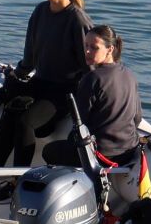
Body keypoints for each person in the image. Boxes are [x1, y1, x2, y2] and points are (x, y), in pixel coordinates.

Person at [0, 0, 93, 167]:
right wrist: (15, 75)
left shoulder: (77, 19)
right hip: (40, 84)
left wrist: (90, 104)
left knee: (25, 122)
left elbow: (90, 68)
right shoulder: (40, 11)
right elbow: (30, 59)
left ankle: (17, 178)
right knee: (10, 111)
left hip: (64, 92)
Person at [43, 24, 143, 170]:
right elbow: (137, 118)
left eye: (94, 47)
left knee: (49, 150)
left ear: (110, 49)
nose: (87, 51)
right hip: (128, 151)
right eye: (86, 46)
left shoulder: (92, 79)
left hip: (101, 155)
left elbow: (81, 123)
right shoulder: (129, 75)